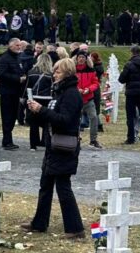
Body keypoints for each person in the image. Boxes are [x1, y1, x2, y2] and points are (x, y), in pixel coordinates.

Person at [22, 57, 85, 238]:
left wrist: (41, 110)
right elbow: (51, 118)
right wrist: (35, 111)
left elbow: (64, 120)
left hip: (64, 146)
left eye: (57, 71)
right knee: (46, 185)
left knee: (63, 187)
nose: (54, 74)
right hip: (53, 145)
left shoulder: (71, 94)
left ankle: (75, 228)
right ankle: (39, 223)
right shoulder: (60, 91)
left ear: (67, 73)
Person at [0, 38, 24, 149]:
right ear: (11, 46)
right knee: (7, 117)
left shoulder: (17, 57)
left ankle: (8, 140)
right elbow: (2, 74)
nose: (19, 47)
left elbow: (19, 69)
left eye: (20, 45)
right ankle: (7, 141)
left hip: (15, 92)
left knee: (13, 116)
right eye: (17, 45)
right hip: (7, 92)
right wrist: (18, 79)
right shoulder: (4, 58)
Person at [75, 49, 102, 148]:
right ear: (77, 59)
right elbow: (70, 81)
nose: (81, 59)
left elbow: (95, 83)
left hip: (88, 98)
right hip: (77, 99)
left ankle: (93, 139)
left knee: (94, 117)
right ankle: (75, 138)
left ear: (86, 59)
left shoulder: (91, 70)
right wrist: (77, 89)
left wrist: (88, 89)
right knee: (76, 119)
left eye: (83, 57)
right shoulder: (73, 69)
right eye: (79, 57)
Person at [26, 51, 53, 150]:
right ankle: (45, 142)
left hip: (33, 98)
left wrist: (27, 99)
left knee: (33, 123)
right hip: (47, 99)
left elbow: (27, 87)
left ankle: (33, 145)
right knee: (46, 122)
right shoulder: (51, 74)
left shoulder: (31, 72)